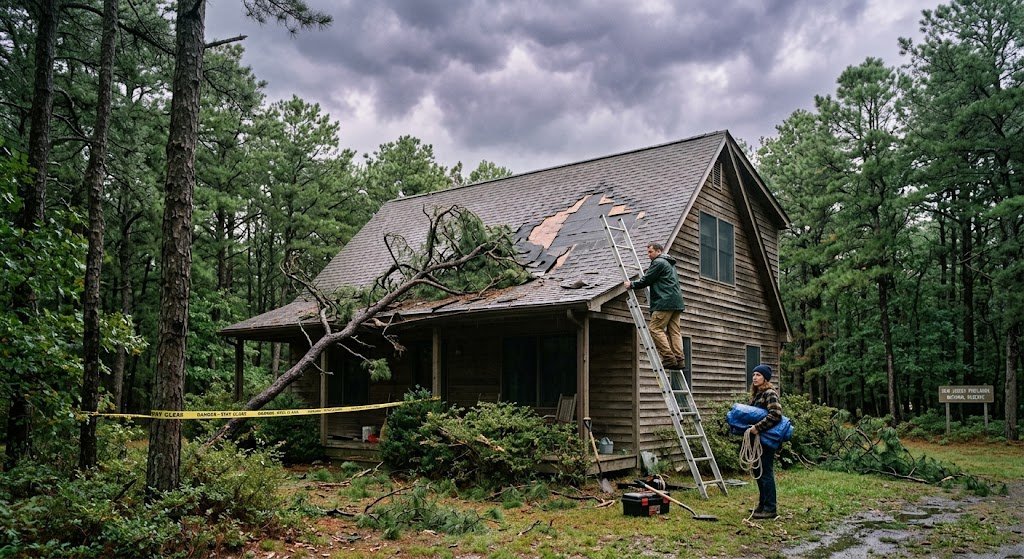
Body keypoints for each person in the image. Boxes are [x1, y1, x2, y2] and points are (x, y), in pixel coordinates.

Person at [623, 242, 685, 369]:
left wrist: (632, 284)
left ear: (658, 251)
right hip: (676, 302)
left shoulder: (658, 262)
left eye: (650, 252)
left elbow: (647, 280)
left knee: (655, 329)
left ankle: (668, 358)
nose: (648, 255)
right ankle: (679, 359)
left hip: (664, 302)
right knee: (675, 332)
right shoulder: (669, 263)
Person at [749, 363, 782, 519]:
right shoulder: (757, 394)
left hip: (767, 439)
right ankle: (762, 504)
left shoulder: (770, 393)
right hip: (758, 440)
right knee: (758, 471)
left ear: (765, 378)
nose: (755, 377)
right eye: (754, 374)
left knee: (765, 473)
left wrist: (758, 427)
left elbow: (775, 414)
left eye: (759, 375)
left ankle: (770, 508)